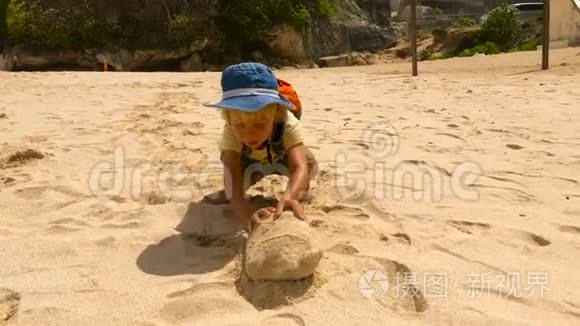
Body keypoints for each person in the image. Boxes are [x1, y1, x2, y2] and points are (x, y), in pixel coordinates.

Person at [203, 62, 317, 232]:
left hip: (281, 157)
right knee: (232, 187)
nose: (249, 134)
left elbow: (298, 166)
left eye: (260, 123)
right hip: (248, 163)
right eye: (240, 125)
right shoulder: (230, 132)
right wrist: (247, 214)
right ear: (227, 118)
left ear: (276, 112)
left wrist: (291, 195)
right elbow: (232, 171)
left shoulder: (286, 121)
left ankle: (297, 192)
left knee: (308, 165)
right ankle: (233, 192)